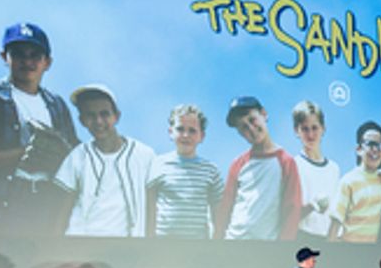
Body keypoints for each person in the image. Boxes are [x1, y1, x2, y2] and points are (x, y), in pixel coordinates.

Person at [0, 22, 79, 234]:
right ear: (4, 57)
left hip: (49, 222)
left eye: (35, 55)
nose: (27, 61)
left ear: (48, 62)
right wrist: (22, 155)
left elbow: (76, 165)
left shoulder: (57, 106)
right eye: (18, 54)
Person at [51, 84, 156, 236]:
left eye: (104, 114)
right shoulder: (77, 156)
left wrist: (150, 243)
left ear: (117, 116)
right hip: (81, 242)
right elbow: (62, 208)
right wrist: (57, 245)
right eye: (90, 115)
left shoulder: (144, 155)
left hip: (129, 244)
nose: (98, 121)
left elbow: (153, 205)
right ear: (82, 120)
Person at [218, 95, 303, 240]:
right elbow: (226, 208)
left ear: (264, 114)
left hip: (265, 248)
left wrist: (283, 248)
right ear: (240, 133)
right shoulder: (238, 164)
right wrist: (217, 242)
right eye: (243, 127)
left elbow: (292, 210)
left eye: (252, 119)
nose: (251, 129)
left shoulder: (286, 162)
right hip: (233, 241)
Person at [146, 104, 224, 239]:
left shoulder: (211, 170)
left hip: (198, 249)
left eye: (192, 130)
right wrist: (149, 242)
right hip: (163, 245)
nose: (186, 135)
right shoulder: (157, 164)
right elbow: (149, 210)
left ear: (202, 136)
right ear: (171, 132)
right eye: (180, 129)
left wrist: (217, 246)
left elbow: (219, 214)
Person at [328, 121, 381, 242]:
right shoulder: (348, 181)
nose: (376, 150)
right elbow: (336, 221)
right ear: (359, 149)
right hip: (350, 249)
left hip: (373, 253)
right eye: (371, 144)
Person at [291, 100, 340, 238]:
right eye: (304, 129)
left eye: (315, 128)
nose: (310, 134)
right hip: (303, 237)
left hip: (328, 238)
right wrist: (312, 206)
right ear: (296, 130)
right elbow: (288, 215)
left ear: (323, 128)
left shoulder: (333, 169)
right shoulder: (294, 165)